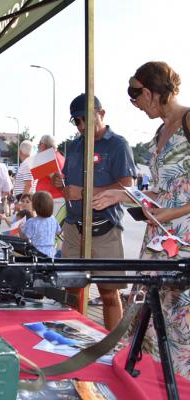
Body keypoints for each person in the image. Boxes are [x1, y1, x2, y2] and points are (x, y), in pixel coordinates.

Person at [93, 61, 190, 378]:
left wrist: (173, 213)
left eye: (136, 99)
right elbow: (164, 192)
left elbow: (175, 202)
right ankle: (153, 387)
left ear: (149, 92)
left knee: (181, 327)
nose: (135, 107)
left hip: (184, 241)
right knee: (148, 321)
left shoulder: (189, 119)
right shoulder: (162, 130)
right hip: (159, 242)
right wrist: (121, 196)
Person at [53, 93, 135, 331]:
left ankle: (111, 348)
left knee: (109, 293)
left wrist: (84, 193)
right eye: (76, 121)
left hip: (104, 228)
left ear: (102, 113)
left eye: (84, 119)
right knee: (72, 290)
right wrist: (62, 184)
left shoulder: (118, 144)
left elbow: (127, 187)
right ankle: (74, 343)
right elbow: (71, 184)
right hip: (73, 227)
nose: (80, 126)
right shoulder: (76, 145)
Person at [20, 191, 62, 257]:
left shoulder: (32, 222)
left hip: (37, 254)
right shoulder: (53, 219)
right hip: (51, 253)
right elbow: (59, 232)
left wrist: (20, 230)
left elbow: (25, 238)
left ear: (34, 206)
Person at [35, 134, 66, 217]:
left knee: (49, 228)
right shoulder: (59, 156)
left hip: (52, 201)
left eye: (39, 144)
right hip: (56, 199)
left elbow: (56, 179)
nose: (38, 147)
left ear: (44, 145)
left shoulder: (47, 157)